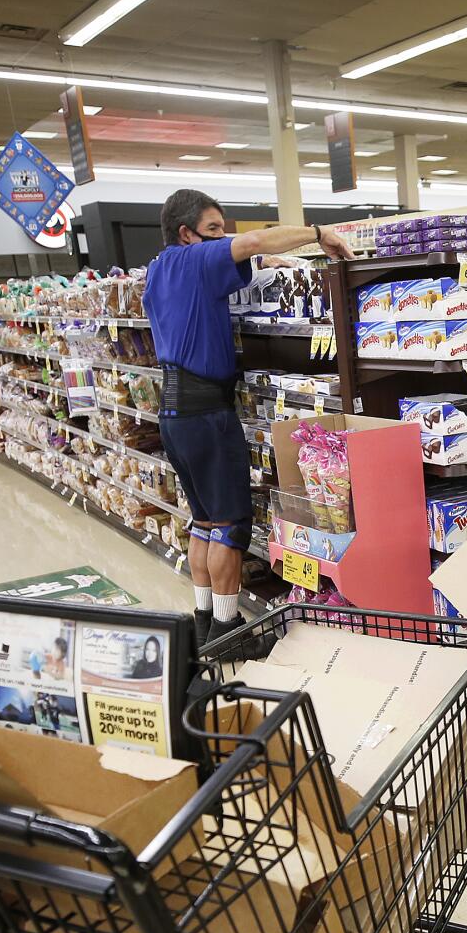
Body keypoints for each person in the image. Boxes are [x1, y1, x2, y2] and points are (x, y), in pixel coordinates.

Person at [144, 189, 353, 652]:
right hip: (205, 412)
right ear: (187, 234)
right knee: (231, 526)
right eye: (215, 230)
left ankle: (204, 621)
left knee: (203, 521)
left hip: (174, 411)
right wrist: (320, 234)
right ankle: (229, 631)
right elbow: (256, 242)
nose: (225, 239)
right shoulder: (194, 260)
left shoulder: (159, 268)